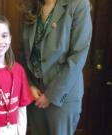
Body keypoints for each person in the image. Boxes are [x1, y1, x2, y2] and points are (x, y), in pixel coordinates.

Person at [18, 0, 92, 135]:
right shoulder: (31, 5)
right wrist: (28, 84)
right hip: (35, 94)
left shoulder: (79, 4)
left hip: (62, 97)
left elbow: (78, 57)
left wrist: (51, 95)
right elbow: (23, 53)